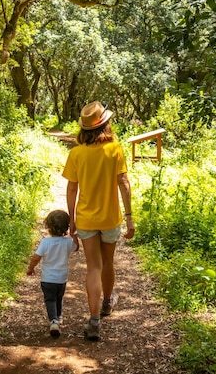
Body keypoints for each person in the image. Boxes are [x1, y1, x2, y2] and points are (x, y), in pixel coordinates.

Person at [62, 101, 135, 341]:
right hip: (111, 218)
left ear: (84, 129)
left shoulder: (77, 153)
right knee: (108, 261)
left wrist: (71, 220)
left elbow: (72, 189)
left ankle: (94, 322)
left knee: (93, 266)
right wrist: (130, 217)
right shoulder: (115, 149)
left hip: (86, 218)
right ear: (105, 124)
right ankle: (106, 303)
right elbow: (124, 184)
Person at [26, 209, 79, 338]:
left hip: (48, 279)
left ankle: (54, 321)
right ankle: (58, 317)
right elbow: (76, 248)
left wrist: (31, 268)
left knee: (50, 299)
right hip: (62, 278)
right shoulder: (67, 242)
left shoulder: (46, 242)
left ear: (48, 226)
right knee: (59, 298)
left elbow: (36, 258)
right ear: (66, 227)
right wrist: (74, 235)